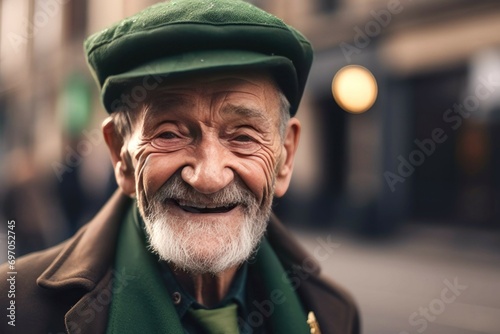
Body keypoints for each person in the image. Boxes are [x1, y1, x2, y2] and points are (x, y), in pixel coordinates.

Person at [0, 0, 360, 333]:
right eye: (170, 134)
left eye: (243, 137)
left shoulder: (333, 314)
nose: (208, 177)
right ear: (121, 157)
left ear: (285, 158)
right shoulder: (15, 309)